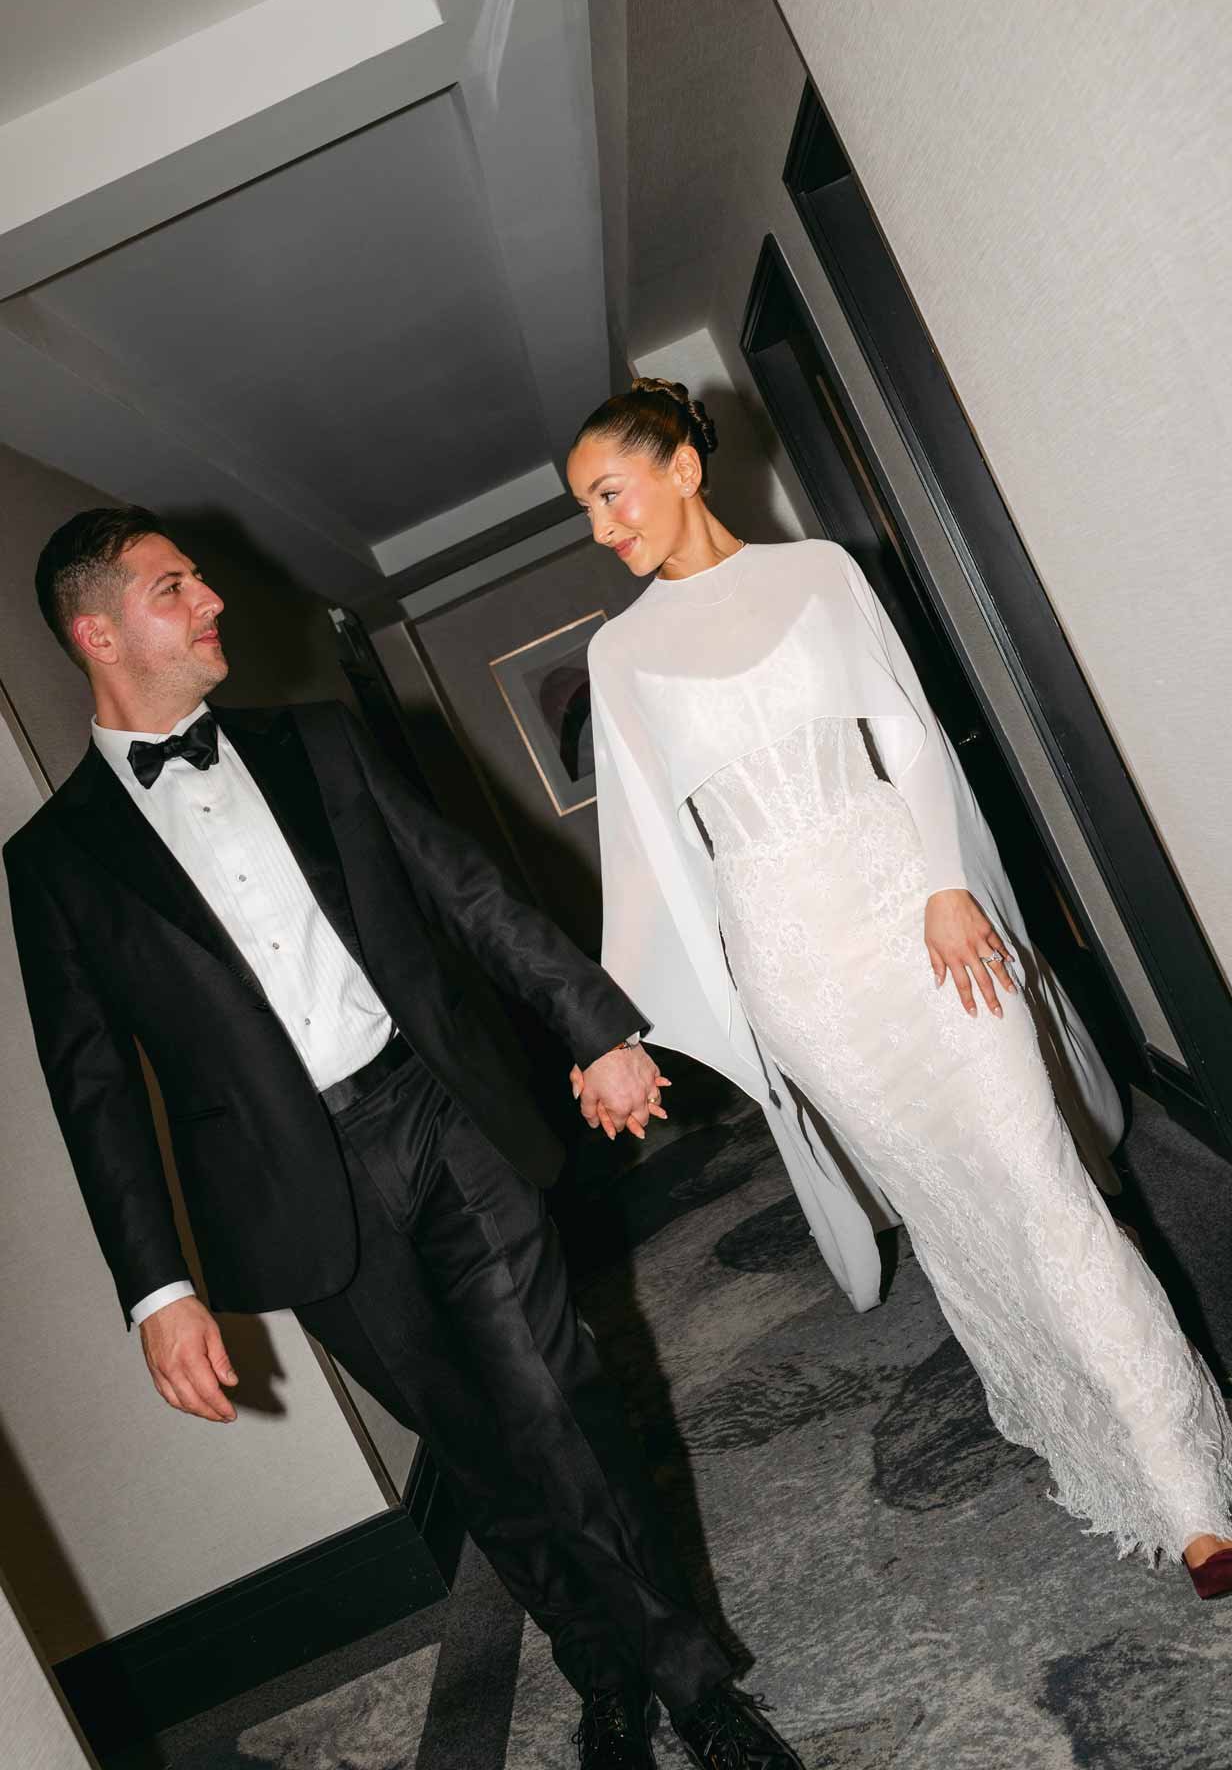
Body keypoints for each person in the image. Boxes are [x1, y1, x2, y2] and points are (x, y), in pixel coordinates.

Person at [5, 507, 808, 1770]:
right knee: (483, 1461)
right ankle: (600, 1672)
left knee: (555, 1400)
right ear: (98, 631)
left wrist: (593, 1029)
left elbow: (471, 895)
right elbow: (88, 1084)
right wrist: (155, 1286)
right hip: (292, 1196)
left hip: (437, 1118)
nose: (212, 599)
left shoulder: (314, 741)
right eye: (176, 589)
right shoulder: (51, 864)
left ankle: (694, 1685)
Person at [570, 377, 1232, 1600]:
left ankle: (1187, 1495)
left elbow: (902, 732)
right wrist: (600, 1033)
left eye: (608, 493)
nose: (599, 527)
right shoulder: (617, 652)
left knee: (1040, 1179)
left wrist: (948, 884)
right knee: (952, 1208)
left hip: (912, 910)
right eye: (584, 509)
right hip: (794, 966)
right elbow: (635, 863)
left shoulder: (820, 575)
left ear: (682, 464)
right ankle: (1075, 1423)